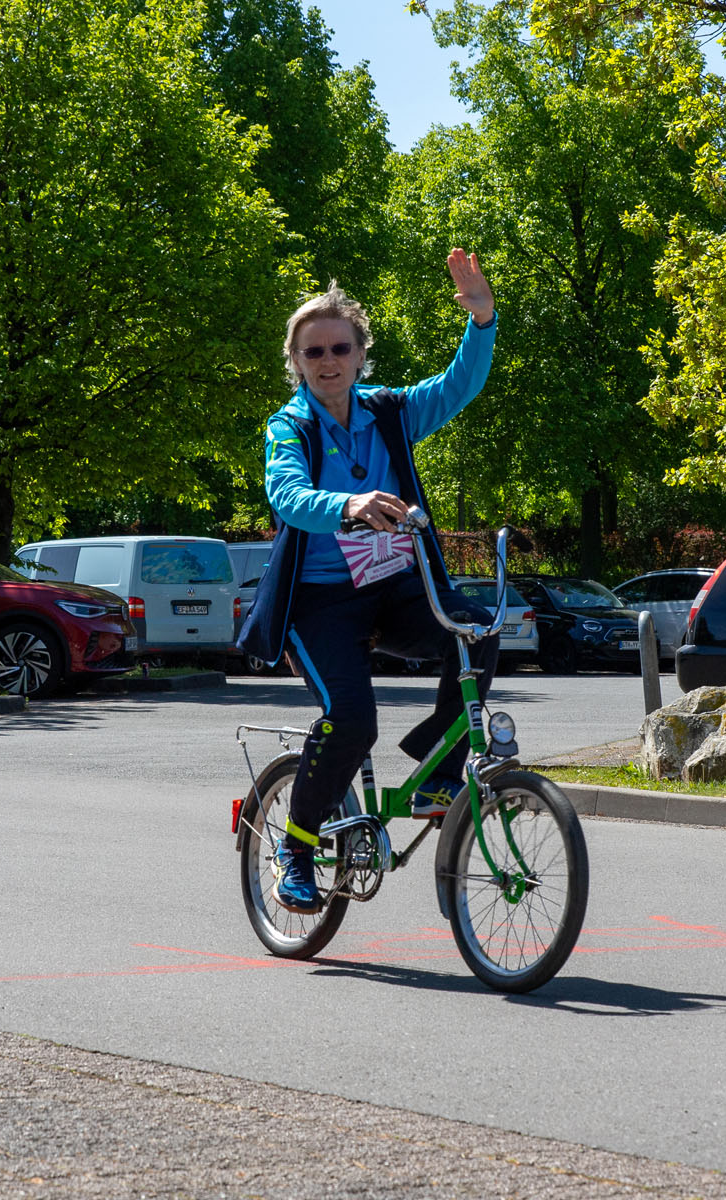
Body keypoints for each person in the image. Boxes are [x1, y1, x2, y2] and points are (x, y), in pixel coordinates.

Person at [253, 248, 500, 914]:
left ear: (361, 353)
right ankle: (295, 852)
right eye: (313, 353)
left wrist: (481, 324)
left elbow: (454, 388)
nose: (328, 360)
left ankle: (437, 778)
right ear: (297, 362)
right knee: (351, 720)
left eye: (340, 347)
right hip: (319, 604)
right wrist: (348, 506)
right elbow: (286, 495)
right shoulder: (290, 427)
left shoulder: (389, 413)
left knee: (475, 632)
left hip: (393, 588)